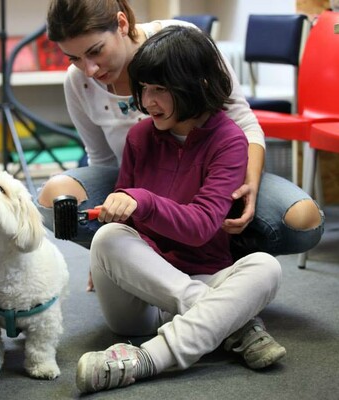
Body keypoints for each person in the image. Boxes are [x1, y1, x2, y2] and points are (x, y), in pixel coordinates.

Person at [40, 0, 324, 292]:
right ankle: (148, 264)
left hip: (211, 175)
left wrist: (249, 184)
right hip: (140, 181)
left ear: (122, 24)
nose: (88, 69)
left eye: (95, 51)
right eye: (73, 59)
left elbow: (244, 123)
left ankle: (220, 260)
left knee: (302, 221)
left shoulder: (182, 41)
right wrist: (107, 251)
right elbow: (101, 160)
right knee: (56, 198)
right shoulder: (80, 85)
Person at [73, 24, 286, 394]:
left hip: (203, 276)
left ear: (197, 85)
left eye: (159, 90)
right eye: (143, 89)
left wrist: (145, 200)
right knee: (108, 238)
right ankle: (231, 324)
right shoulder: (140, 137)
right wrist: (123, 213)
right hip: (141, 297)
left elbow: (203, 226)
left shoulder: (230, 142)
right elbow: (128, 218)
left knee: (266, 268)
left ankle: (146, 359)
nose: (146, 102)